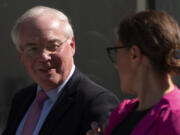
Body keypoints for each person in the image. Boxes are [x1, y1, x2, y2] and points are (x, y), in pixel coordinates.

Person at [2, 6, 119, 135]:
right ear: (21, 56)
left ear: (72, 46)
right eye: (33, 49)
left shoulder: (95, 103)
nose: (43, 57)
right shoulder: (22, 99)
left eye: (52, 46)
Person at [87, 10, 180, 135]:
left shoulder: (175, 117)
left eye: (117, 52)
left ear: (134, 54)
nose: (116, 64)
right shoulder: (122, 112)